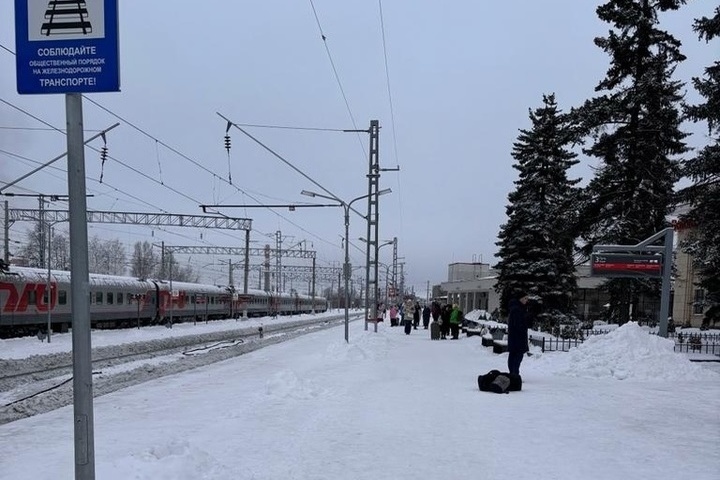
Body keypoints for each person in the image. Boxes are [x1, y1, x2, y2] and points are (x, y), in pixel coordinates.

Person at [507, 290, 531, 375]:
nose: (526, 300)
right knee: (517, 355)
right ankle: (514, 374)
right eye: (525, 298)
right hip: (518, 337)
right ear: (520, 299)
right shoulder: (517, 309)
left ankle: (513, 373)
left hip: (514, 336)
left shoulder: (517, 308)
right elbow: (518, 324)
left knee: (513, 355)